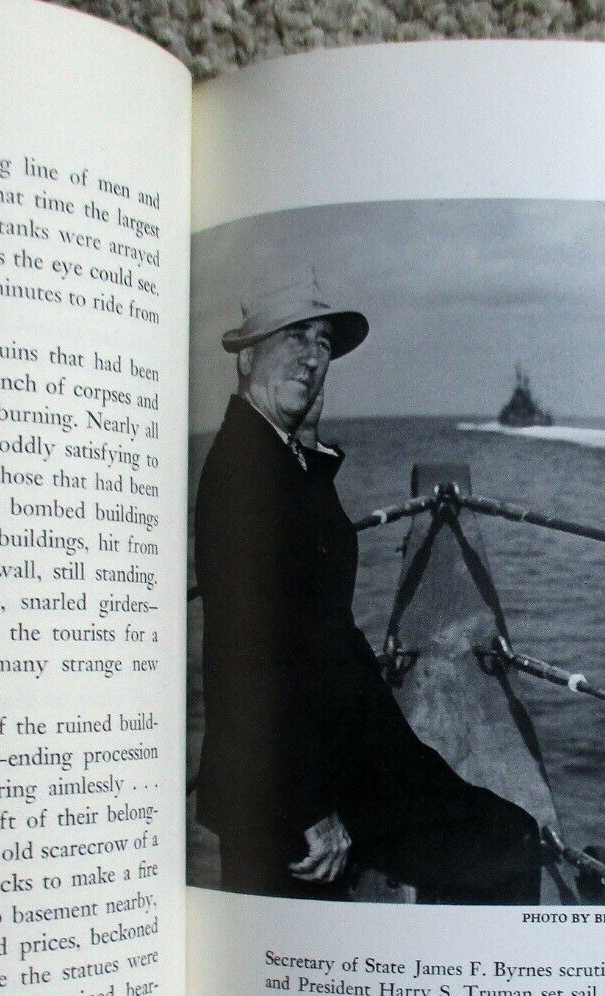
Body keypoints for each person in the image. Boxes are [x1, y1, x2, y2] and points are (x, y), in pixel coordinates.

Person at [193, 266, 542, 902]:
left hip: (337, 744)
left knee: (504, 834)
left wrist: (309, 441)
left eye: (322, 342)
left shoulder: (276, 455)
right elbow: (249, 664)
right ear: (246, 358)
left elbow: (313, 592)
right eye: (293, 337)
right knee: (505, 843)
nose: (312, 358)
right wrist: (309, 808)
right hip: (289, 781)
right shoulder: (245, 474)